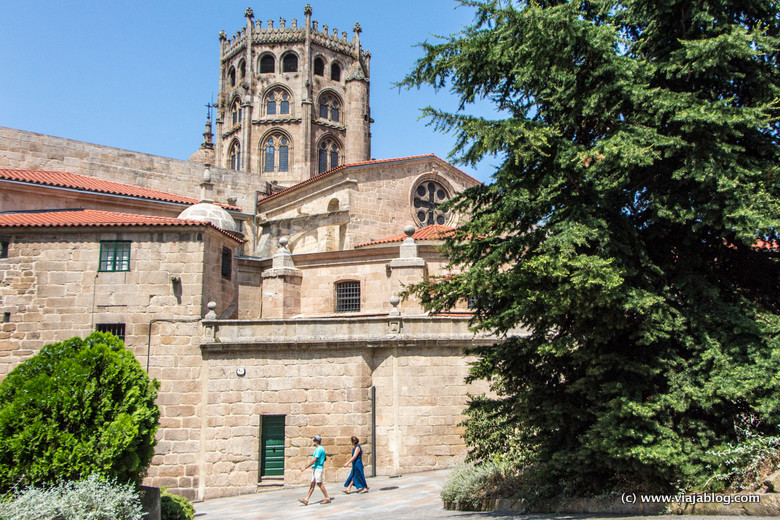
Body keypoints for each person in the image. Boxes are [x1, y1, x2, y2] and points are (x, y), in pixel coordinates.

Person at [299, 435, 331, 505]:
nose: (313, 442)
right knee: (312, 484)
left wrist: (305, 467)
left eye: (314, 440)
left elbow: (314, 460)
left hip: (318, 468)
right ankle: (306, 499)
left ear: (316, 441)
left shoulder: (319, 449)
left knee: (319, 483)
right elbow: (324, 458)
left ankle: (327, 498)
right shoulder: (320, 449)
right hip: (316, 467)